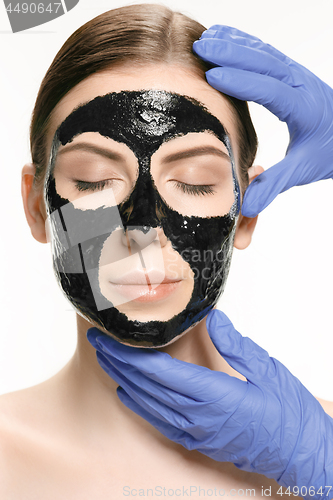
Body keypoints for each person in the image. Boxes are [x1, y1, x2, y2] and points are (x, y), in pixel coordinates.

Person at [0, 4, 331, 499]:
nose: (143, 229)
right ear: (35, 204)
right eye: (93, 181)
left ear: (247, 211)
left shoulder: (317, 448)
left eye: (195, 183)